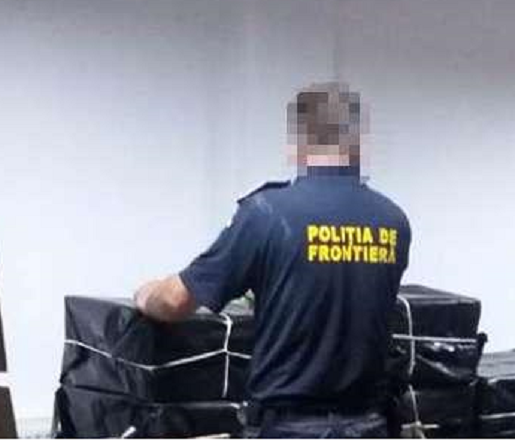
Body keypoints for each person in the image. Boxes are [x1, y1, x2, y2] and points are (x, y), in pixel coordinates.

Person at [134, 81, 411, 438]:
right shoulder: (393, 221)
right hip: (369, 424)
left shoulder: (267, 213)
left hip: (289, 427)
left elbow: (174, 302)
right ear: (359, 143)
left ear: (297, 143)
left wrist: (145, 295)